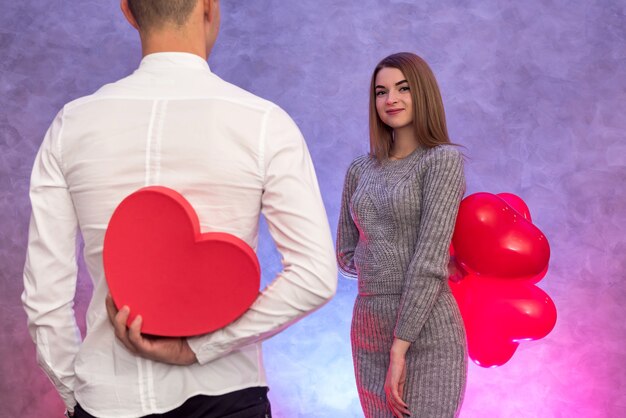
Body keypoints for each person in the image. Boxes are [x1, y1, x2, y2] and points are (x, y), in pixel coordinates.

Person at [22, 0, 337, 417]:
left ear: (128, 12)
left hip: (107, 400)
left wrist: (77, 399)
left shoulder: (71, 126)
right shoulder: (264, 123)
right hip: (228, 398)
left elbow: (45, 298)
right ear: (209, 7)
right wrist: (200, 349)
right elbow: (314, 277)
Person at [336, 52, 467, 418]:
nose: (390, 99)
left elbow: (428, 260)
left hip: (425, 329)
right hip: (369, 326)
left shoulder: (440, 161)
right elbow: (346, 254)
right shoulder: (360, 169)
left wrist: (400, 348)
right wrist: (381, 272)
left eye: (402, 88)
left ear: (422, 93)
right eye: (381, 91)